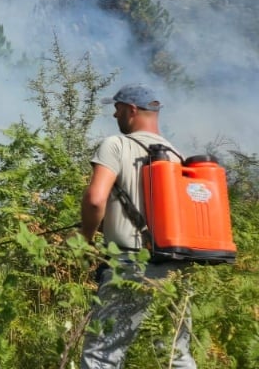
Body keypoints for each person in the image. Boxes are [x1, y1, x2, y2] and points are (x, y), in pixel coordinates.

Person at [79, 84, 196, 368]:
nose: (114, 114)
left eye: (117, 108)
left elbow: (95, 200)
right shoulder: (177, 155)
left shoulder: (116, 145)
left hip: (130, 265)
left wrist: (85, 238)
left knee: (102, 355)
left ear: (132, 110)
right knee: (174, 354)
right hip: (176, 267)